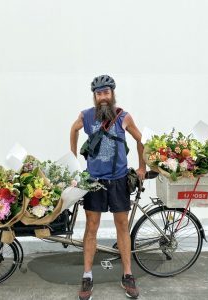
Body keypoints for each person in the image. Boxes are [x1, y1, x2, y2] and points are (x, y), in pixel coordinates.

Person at [70, 75, 146, 300]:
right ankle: (87, 276)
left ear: (112, 94)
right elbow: (73, 130)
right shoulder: (86, 116)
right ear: (94, 96)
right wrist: (73, 160)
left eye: (106, 93)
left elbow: (141, 140)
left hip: (119, 180)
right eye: (98, 93)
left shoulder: (124, 116)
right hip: (94, 181)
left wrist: (142, 167)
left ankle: (128, 274)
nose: (102, 97)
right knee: (91, 227)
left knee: (122, 225)